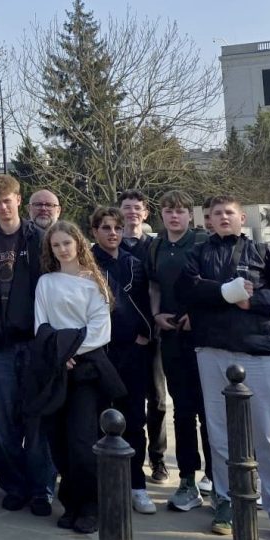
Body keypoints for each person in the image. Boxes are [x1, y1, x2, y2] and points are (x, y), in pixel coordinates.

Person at [177, 195, 270, 540]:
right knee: (219, 433)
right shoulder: (198, 254)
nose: (223, 217)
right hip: (212, 350)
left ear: (240, 218)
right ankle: (227, 499)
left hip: (256, 350)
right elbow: (186, 288)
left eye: (229, 212)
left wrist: (253, 301)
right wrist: (227, 292)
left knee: (267, 434)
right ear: (208, 219)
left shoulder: (261, 253)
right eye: (216, 213)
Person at [0, 173, 55, 513]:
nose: (3, 207)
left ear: (19, 200)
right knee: (3, 421)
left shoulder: (39, 239)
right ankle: (14, 484)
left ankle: (42, 487)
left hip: (32, 342)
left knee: (37, 419)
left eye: (8, 201)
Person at [32, 220, 121, 533]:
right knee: (59, 441)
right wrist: (60, 354)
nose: (62, 249)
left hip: (86, 369)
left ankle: (91, 505)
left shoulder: (94, 282)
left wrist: (68, 349)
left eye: (66, 243)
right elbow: (41, 325)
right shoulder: (45, 283)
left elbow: (100, 330)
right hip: (57, 368)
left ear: (78, 244)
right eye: (55, 245)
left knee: (83, 441)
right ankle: (71, 503)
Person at [145, 191, 212, 511]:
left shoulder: (201, 242)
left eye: (180, 211)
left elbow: (213, 283)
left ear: (190, 214)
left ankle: (215, 476)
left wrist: (196, 316)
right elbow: (154, 285)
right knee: (183, 411)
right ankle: (187, 478)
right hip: (171, 337)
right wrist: (156, 315)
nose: (174, 216)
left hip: (201, 336)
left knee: (208, 410)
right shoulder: (156, 246)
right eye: (169, 211)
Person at [90, 206, 156, 514]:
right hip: (101, 352)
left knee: (134, 420)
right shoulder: (87, 264)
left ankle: (136, 484)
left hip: (133, 352)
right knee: (99, 419)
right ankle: (103, 483)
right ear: (95, 231)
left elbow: (145, 302)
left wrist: (145, 333)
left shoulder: (133, 263)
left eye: (117, 228)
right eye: (106, 228)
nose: (113, 233)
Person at [119, 189, 168, 485]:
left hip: (155, 334)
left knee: (158, 399)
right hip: (127, 337)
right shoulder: (113, 245)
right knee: (130, 400)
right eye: (127, 207)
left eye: (137, 208)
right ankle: (129, 456)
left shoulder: (155, 246)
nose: (132, 212)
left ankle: (158, 457)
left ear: (145, 213)